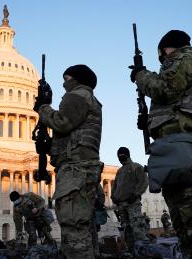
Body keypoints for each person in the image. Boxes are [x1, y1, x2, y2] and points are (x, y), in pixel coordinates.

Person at [130, 30, 192, 258]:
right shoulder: (183, 63)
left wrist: (142, 76)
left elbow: (165, 88)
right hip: (172, 142)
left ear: (166, 49)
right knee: (182, 214)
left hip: (183, 141)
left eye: (162, 54)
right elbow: (172, 100)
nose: (162, 59)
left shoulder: (186, 59)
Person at [35, 64, 103, 259]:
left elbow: (62, 122)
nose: (64, 84)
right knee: (83, 227)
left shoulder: (78, 95)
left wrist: (43, 108)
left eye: (66, 79)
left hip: (75, 169)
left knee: (73, 226)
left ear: (76, 79)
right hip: (81, 166)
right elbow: (72, 133)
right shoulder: (88, 98)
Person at [111, 147, 149, 249]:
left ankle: (143, 252)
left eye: (122, 154)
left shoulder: (136, 167)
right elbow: (115, 186)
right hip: (121, 205)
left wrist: (136, 194)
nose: (120, 157)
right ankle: (132, 251)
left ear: (127, 154)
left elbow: (144, 182)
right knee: (127, 230)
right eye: (118, 155)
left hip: (132, 203)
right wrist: (113, 196)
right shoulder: (119, 171)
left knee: (137, 229)